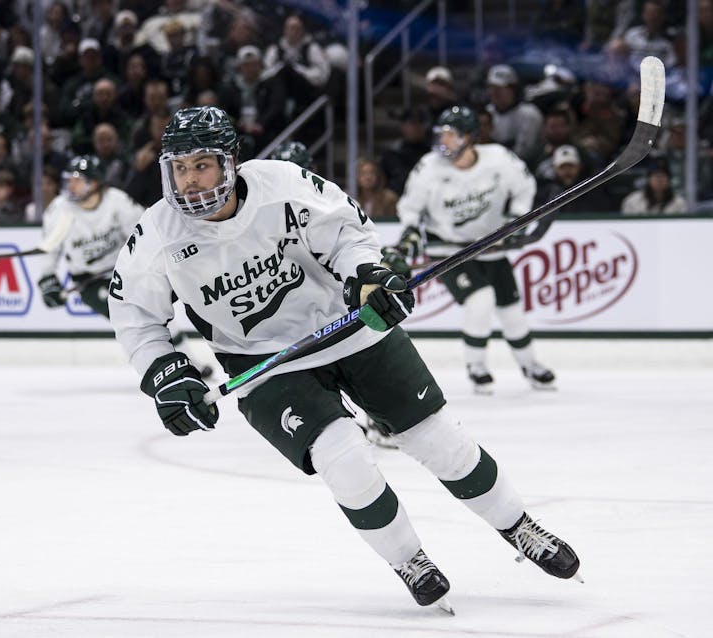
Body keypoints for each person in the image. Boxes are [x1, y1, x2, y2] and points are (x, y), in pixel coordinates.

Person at [107, 106, 581, 611]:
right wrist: (166, 374)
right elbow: (134, 314)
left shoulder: (283, 185)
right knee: (344, 458)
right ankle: (409, 559)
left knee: (442, 443)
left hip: (350, 330)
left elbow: (347, 235)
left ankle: (519, 527)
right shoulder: (158, 233)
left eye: (202, 165)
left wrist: (370, 278)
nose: (190, 181)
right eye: (180, 168)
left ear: (231, 162)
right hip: (264, 364)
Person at [385, 106, 555, 393]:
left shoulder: (499, 159)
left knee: (511, 310)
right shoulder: (429, 168)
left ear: (470, 137)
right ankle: (476, 367)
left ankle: (530, 365)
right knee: (481, 299)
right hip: (452, 251)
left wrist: (516, 219)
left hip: (492, 246)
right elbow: (410, 208)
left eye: (452, 135)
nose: (445, 141)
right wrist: (412, 231)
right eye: (442, 134)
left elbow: (525, 188)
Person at [38, 154, 213, 376]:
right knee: (138, 317)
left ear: (94, 183)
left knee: (159, 316)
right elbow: (50, 248)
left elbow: (144, 233)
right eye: (68, 181)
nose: (71, 187)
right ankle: (166, 368)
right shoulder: (60, 210)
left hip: (125, 272)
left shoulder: (117, 201)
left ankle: (186, 364)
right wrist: (47, 280)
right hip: (89, 282)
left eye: (77, 180)